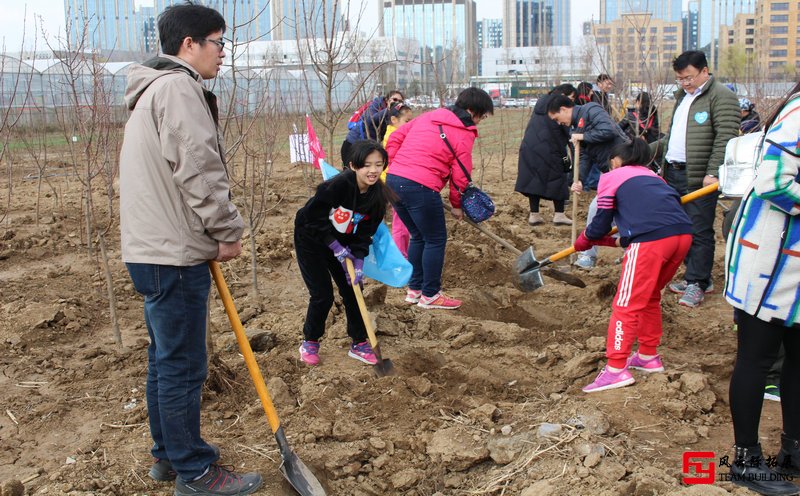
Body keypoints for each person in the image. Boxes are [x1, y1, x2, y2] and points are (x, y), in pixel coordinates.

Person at [119, 4, 262, 495]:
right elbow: (199, 167)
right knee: (183, 365)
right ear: (189, 45)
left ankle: (167, 456)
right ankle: (195, 472)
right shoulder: (178, 89)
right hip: (172, 252)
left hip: (148, 249)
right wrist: (225, 229)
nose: (223, 54)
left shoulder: (149, 91)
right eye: (219, 43)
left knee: (166, 359)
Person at [722, 82, 800, 495]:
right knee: (757, 358)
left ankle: (793, 450)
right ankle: (746, 459)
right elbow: (773, 182)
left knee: (799, 360)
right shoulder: (798, 113)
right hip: (769, 259)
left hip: (797, 267)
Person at [577, 139, 693, 393]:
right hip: (682, 236)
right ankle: (648, 356)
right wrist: (611, 241)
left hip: (651, 241)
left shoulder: (613, 176)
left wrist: (585, 239)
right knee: (650, 296)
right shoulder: (655, 178)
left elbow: (600, 224)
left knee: (625, 304)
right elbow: (645, 221)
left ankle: (616, 369)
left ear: (616, 161)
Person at [385, 87, 494, 310]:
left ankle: (415, 290)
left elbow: (395, 137)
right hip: (421, 186)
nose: (480, 122)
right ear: (472, 111)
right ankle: (431, 295)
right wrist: (457, 205)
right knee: (435, 239)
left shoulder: (430, 116)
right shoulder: (463, 132)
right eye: (481, 116)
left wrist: (397, 165)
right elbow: (461, 174)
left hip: (394, 181)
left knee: (417, 236)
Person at [652, 50, 739, 307]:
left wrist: (712, 172)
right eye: (680, 79)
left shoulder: (721, 97)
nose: (685, 83)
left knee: (699, 229)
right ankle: (697, 276)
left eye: (688, 77)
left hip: (700, 177)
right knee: (678, 228)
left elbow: (726, 138)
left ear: (704, 70)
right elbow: (672, 138)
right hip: (674, 173)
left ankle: (697, 283)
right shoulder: (683, 97)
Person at [295, 140, 394, 366]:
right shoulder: (338, 186)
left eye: (379, 165)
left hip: (343, 241)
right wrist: (336, 248)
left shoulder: (377, 196)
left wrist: (358, 260)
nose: (373, 170)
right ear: (353, 165)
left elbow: (365, 233)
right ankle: (310, 341)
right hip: (310, 238)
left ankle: (359, 343)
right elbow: (312, 218)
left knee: (353, 288)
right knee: (322, 294)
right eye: (367, 165)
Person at [547, 94, 630, 269]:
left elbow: (609, 131)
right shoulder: (574, 129)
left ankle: (589, 255)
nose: (557, 122)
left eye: (556, 118)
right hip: (610, 175)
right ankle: (592, 255)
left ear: (563, 109)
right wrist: (579, 180)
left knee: (603, 209)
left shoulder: (591, 110)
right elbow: (584, 157)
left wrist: (583, 137)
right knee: (614, 212)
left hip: (626, 170)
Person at [516, 84, 576, 226]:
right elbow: (558, 134)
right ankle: (559, 215)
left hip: (529, 146)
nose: (572, 103)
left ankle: (534, 215)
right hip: (549, 148)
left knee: (533, 179)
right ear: (563, 95)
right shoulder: (555, 109)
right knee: (559, 178)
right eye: (572, 98)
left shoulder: (541, 102)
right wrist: (565, 155)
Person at [381, 104, 414, 257]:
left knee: (404, 222)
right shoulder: (393, 137)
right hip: (395, 184)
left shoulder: (398, 134)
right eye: (407, 121)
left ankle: (404, 252)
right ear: (394, 119)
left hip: (398, 182)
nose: (410, 124)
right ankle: (401, 256)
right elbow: (394, 163)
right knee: (401, 224)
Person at [341, 90, 404, 165]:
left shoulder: (395, 114)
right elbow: (370, 120)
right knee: (351, 173)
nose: (397, 103)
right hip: (353, 144)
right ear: (387, 100)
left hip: (368, 147)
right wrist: (388, 110)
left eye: (400, 101)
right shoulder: (376, 105)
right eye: (395, 100)